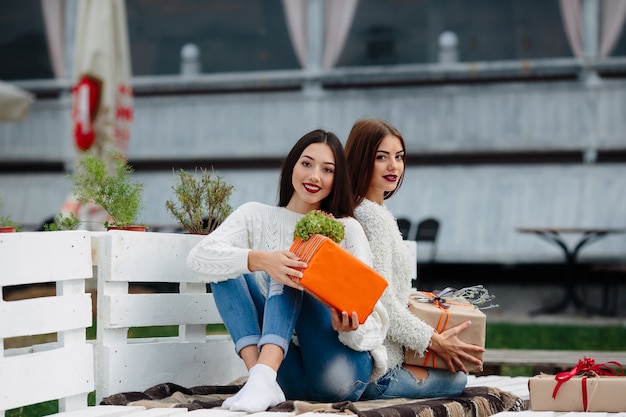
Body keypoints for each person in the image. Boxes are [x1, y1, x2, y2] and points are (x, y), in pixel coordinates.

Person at [186, 129, 389, 412]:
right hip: (286, 377)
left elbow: (375, 317)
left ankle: (261, 378)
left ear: (336, 178)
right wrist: (261, 260)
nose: (314, 176)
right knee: (227, 269)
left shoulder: (347, 229)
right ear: (292, 165)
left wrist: (349, 329)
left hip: (340, 370)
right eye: (307, 163)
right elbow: (199, 257)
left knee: (291, 267)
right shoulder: (254, 214)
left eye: (327, 170)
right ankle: (260, 378)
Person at [344, 118, 484, 399]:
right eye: (381, 157)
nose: (393, 166)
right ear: (361, 160)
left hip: (375, 355)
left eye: (399, 157)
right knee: (457, 381)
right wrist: (435, 342)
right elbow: (381, 302)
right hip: (379, 370)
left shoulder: (367, 210)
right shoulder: (372, 218)